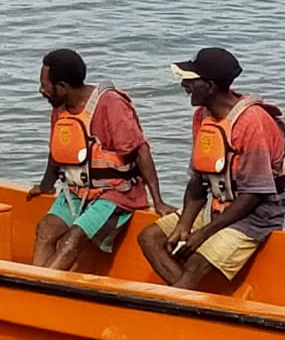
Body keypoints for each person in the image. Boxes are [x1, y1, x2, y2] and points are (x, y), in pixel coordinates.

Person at [138, 48, 285, 290]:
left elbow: (255, 194)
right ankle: (190, 296)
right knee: (150, 238)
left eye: (190, 81)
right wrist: (184, 226)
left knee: (196, 262)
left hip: (256, 217)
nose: (184, 86)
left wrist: (203, 234)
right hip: (217, 208)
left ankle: (185, 296)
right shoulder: (202, 117)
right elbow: (197, 182)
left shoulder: (252, 122)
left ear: (209, 86)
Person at [28, 49, 176, 271]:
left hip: (115, 195)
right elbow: (57, 152)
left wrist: (158, 200)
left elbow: (141, 151)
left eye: (44, 84)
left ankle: (39, 294)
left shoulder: (110, 104)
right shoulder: (59, 109)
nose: (41, 90)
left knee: (72, 239)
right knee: (45, 229)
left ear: (62, 87)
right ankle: (34, 287)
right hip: (76, 192)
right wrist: (45, 185)